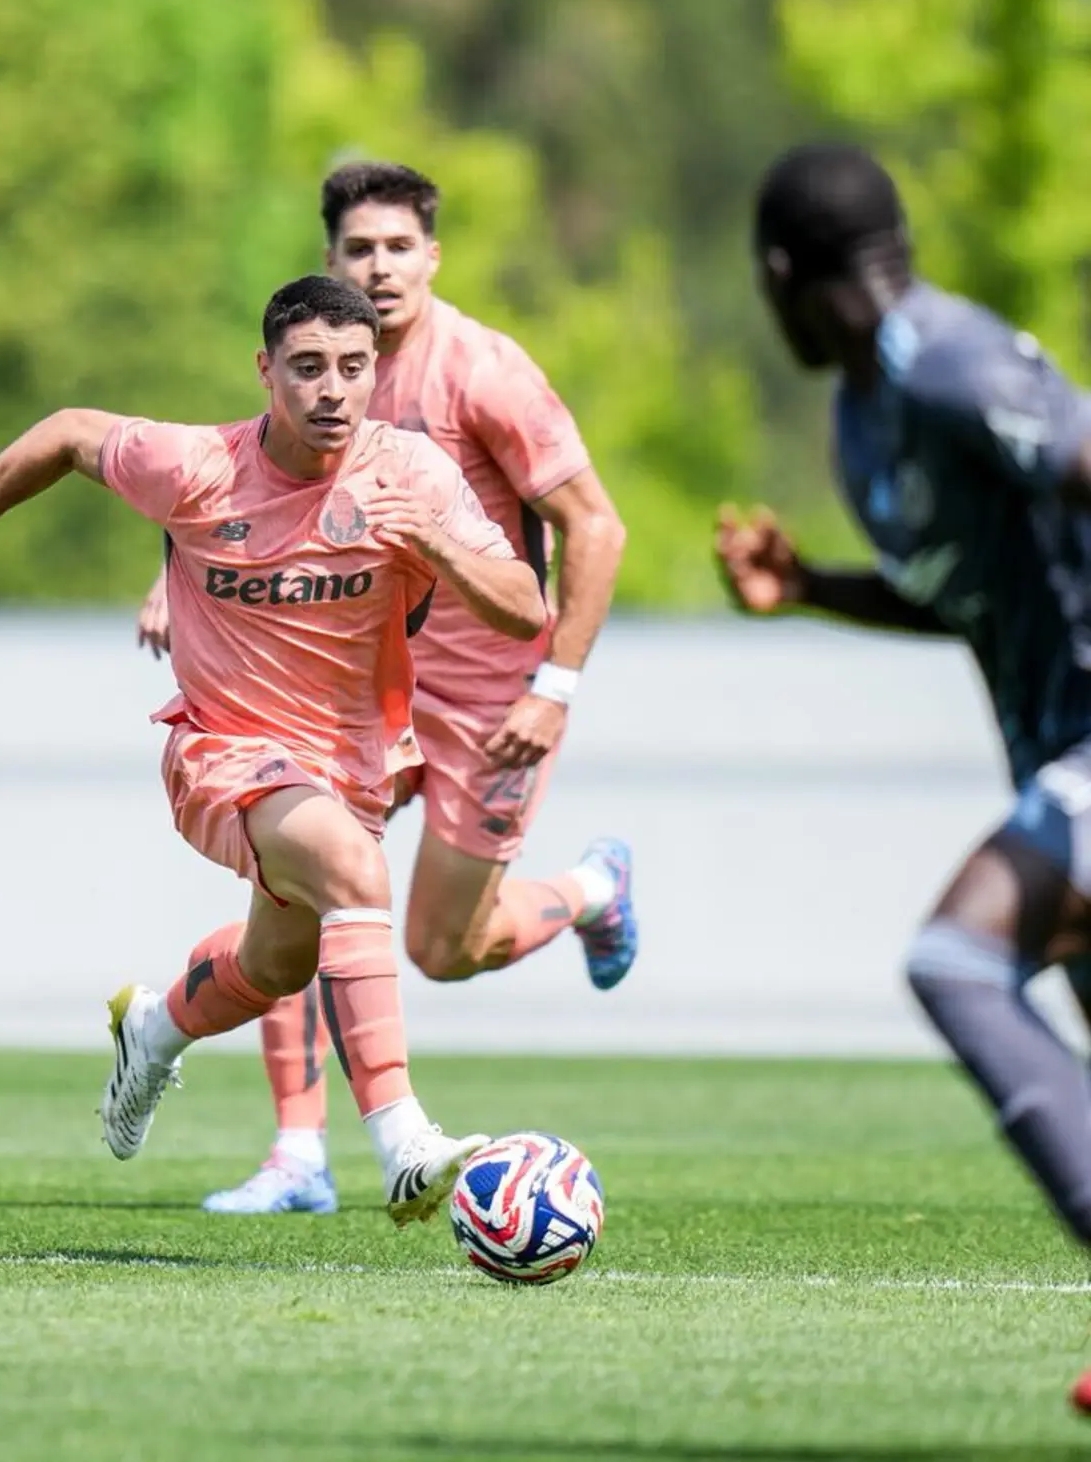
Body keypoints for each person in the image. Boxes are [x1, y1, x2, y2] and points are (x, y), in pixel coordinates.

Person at [0, 274, 548, 1227]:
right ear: (267, 370)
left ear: (376, 373)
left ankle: (153, 1029)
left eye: (354, 369)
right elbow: (70, 432)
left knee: (276, 966)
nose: (333, 390)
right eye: (309, 367)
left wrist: (438, 550)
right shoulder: (198, 466)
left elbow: (526, 605)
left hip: (348, 765)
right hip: (223, 753)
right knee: (357, 874)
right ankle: (402, 1138)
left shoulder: (413, 474)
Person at [138, 162, 637, 1216]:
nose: (381, 266)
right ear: (333, 265)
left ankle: (591, 890)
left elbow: (595, 526)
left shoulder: (485, 374)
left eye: (399, 248)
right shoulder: (328, 362)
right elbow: (244, 499)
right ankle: (297, 1153)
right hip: (354, 684)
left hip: (489, 696)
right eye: (361, 249)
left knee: (442, 948)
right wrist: (170, 583)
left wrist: (555, 686)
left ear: (432, 257)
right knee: (310, 880)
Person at [716, 140, 1091, 1410]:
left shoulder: (950, 360)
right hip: (1058, 753)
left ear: (780, 276)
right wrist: (814, 589)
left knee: (957, 955)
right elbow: (972, 595)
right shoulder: (874, 401)